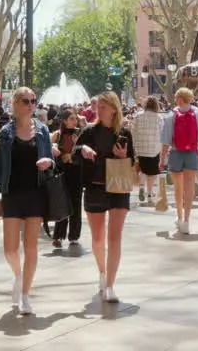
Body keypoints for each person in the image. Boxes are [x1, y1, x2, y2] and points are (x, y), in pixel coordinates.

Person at [0, 87, 55, 316]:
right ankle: (18, 275)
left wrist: (49, 163)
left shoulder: (43, 131)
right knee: (10, 249)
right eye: (25, 101)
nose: (30, 105)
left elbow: (53, 162)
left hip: (36, 193)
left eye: (33, 101)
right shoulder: (6, 132)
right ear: (15, 104)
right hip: (12, 194)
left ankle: (25, 294)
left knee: (32, 247)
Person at [78, 91, 134, 303]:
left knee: (114, 238)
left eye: (102, 106)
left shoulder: (124, 133)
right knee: (98, 239)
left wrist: (122, 157)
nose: (98, 110)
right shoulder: (89, 132)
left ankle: (110, 285)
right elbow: (73, 153)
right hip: (95, 187)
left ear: (113, 108)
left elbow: (132, 160)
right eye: (97, 107)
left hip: (118, 188)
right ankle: (102, 272)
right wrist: (82, 149)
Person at [161, 88, 198, 235]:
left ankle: (179, 217)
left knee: (177, 188)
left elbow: (166, 140)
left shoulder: (171, 115)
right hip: (192, 152)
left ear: (179, 98)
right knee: (189, 187)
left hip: (175, 153)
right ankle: (187, 220)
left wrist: (162, 159)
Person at [51, 110, 85, 249]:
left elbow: (85, 153)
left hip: (77, 173)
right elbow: (48, 151)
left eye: (75, 119)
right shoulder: (57, 135)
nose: (74, 121)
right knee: (61, 203)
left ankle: (74, 236)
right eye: (71, 119)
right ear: (64, 120)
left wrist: (79, 144)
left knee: (76, 204)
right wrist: (53, 148)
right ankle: (58, 235)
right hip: (61, 173)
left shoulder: (81, 134)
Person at [131, 96, 164, 205]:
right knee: (152, 173)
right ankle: (150, 195)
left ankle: (141, 186)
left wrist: (134, 147)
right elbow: (162, 134)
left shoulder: (137, 116)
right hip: (154, 149)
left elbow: (133, 132)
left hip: (140, 148)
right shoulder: (159, 118)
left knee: (143, 170)